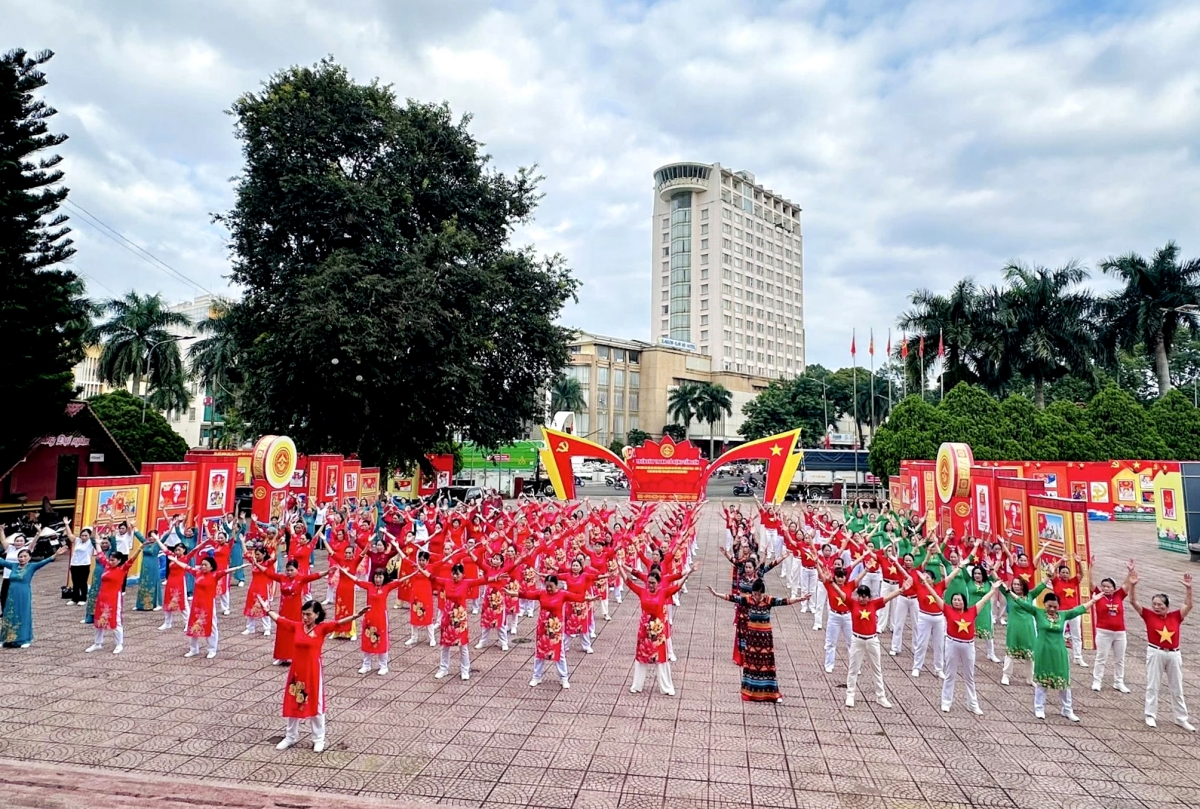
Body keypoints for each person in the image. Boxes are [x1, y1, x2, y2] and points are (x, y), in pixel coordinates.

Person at [257, 597, 368, 753]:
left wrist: (356, 615)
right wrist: (267, 609)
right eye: (303, 614)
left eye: (308, 614)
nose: (305, 617)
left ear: (317, 615)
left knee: (316, 704)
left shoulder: (322, 628)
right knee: (294, 702)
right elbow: (280, 620)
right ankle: (290, 737)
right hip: (296, 672)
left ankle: (318, 739)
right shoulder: (297, 627)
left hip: (313, 672)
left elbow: (338, 623)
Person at [1008, 589, 1102, 721]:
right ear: (1044, 604)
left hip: (1059, 652)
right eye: (1049, 606)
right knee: (1042, 681)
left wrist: (1093, 601)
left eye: (1055, 606)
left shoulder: (1063, 615)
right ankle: (1039, 708)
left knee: (1063, 680)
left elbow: (1078, 610)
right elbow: (1021, 602)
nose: (1052, 609)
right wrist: (1009, 592)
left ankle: (1067, 709)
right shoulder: (1038, 612)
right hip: (1043, 651)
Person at [708, 580, 807, 702]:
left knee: (766, 665)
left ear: (762, 593)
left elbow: (785, 601)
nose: (756, 596)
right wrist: (716, 594)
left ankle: (770, 692)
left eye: (758, 594)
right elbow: (732, 598)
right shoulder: (748, 600)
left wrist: (800, 599)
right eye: (754, 593)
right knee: (752, 665)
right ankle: (750, 691)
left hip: (765, 640)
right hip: (752, 639)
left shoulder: (768, 600)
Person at [1127, 569, 1194, 731]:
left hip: (1174, 654)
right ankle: (1150, 715)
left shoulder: (1176, 616)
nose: (1156, 607)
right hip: (1155, 652)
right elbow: (1133, 602)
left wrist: (1189, 589)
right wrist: (1133, 585)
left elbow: (1189, 605)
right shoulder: (1148, 615)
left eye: (1160, 605)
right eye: (1154, 604)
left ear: (1167, 606)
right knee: (1153, 685)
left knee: (1177, 687)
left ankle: (1181, 718)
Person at [931, 582, 1003, 714]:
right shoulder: (948, 610)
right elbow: (935, 596)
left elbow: (984, 600)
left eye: (959, 600)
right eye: (954, 600)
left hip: (968, 645)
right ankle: (946, 702)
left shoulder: (972, 611)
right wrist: (925, 584)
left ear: (964, 602)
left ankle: (973, 704)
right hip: (952, 643)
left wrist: (993, 590)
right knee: (950, 674)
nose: (957, 602)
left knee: (969, 676)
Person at [845, 573, 910, 708]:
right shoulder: (852, 604)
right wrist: (831, 583)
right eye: (860, 595)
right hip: (857, 639)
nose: (862, 598)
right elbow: (841, 594)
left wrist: (901, 590)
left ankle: (881, 696)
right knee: (853, 669)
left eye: (865, 596)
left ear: (869, 597)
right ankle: (850, 695)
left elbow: (887, 597)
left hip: (872, 640)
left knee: (877, 669)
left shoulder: (874, 604)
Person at [623, 567, 685, 696]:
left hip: (658, 633)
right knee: (641, 658)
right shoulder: (642, 592)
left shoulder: (663, 593)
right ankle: (637, 686)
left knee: (661, 660)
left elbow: (677, 586)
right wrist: (619, 567)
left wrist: (688, 573)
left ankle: (666, 687)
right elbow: (628, 582)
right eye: (649, 582)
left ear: (658, 583)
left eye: (653, 583)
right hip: (644, 632)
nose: (650, 585)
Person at [519, 574, 589, 689]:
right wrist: (512, 593)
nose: (549, 588)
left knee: (559, 653)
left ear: (556, 585)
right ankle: (536, 676)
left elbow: (579, 597)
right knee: (539, 652)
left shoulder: (562, 594)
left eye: (551, 586)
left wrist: (588, 597)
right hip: (542, 627)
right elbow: (526, 594)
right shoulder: (541, 593)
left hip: (555, 629)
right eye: (547, 586)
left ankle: (564, 678)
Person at [256, 559, 326, 665]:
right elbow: (268, 573)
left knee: (295, 632)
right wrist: (257, 565)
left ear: (297, 569)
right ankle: (281, 656)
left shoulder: (301, 578)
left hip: (295, 610)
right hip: (284, 609)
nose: (289, 572)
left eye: (291, 570)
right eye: (287, 570)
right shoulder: (282, 578)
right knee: (282, 631)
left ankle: (294, 656)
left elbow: (315, 576)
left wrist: (327, 572)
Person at [0, 543, 68, 647]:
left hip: (23, 594)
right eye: (20, 557)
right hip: (11, 594)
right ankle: (7, 638)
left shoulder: (32, 566)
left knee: (23, 614)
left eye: (25, 556)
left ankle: (24, 639)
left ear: (29, 558)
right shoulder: (13, 566)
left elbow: (45, 561)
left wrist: (56, 554)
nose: (22, 559)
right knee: (9, 614)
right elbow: (2, 561)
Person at [86, 545, 143, 654]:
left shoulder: (122, 569)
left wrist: (139, 548)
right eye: (110, 559)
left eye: (113, 560)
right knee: (99, 619)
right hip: (102, 597)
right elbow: (100, 554)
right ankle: (97, 643)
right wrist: (97, 542)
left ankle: (119, 644)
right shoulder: (107, 566)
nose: (110, 561)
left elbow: (132, 559)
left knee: (115, 620)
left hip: (114, 598)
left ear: (119, 560)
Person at [1091, 561, 1135, 693]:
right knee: (1101, 657)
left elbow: (1126, 585)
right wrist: (1090, 567)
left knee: (1119, 659)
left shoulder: (1118, 595)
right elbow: (1090, 583)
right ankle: (1097, 681)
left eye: (1108, 587)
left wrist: (1130, 572)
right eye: (1103, 586)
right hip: (1103, 632)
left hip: (1120, 633)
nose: (1105, 588)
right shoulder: (1098, 595)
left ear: (1114, 588)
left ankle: (1119, 682)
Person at [999, 575, 1048, 686]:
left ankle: (1030, 678)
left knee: (1030, 654)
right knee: (1010, 652)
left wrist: (1049, 575)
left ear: (1023, 586)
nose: (1016, 586)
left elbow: (1042, 585)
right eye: (1014, 584)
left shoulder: (1030, 595)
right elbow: (998, 582)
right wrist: (992, 570)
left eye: (1019, 584)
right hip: (1014, 628)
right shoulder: (1008, 595)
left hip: (1028, 628)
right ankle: (1006, 675)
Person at [353, 568, 402, 675]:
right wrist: (345, 572)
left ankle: (383, 666)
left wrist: (415, 572)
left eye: (380, 577)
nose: (378, 579)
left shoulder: (387, 587)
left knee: (381, 641)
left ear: (384, 578)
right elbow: (356, 580)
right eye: (376, 577)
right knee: (367, 640)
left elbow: (401, 581)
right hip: (369, 618)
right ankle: (366, 665)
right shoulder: (369, 586)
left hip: (381, 618)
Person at [63, 519, 93, 605]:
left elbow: (94, 536)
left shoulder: (91, 542)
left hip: (84, 564)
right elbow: (69, 535)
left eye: (86, 535)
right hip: (74, 564)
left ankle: (83, 598)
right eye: (82, 535)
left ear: (89, 536)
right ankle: (74, 598)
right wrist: (66, 524)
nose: (83, 537)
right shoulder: (77, 540)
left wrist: (94, 528)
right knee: (75, 582)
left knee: (83, 582)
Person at [134, 529, 164, 612]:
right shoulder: (145, 543)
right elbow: (138, 535)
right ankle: (140, 604)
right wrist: (133, 527)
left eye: (153, 536)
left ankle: (158, 604)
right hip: (145, 566)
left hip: (153, 566)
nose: (151, 538)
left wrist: (172, 526)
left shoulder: (158, 544)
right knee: (143, 583)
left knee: (154, 582)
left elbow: (166, 535)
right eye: (150, 536)